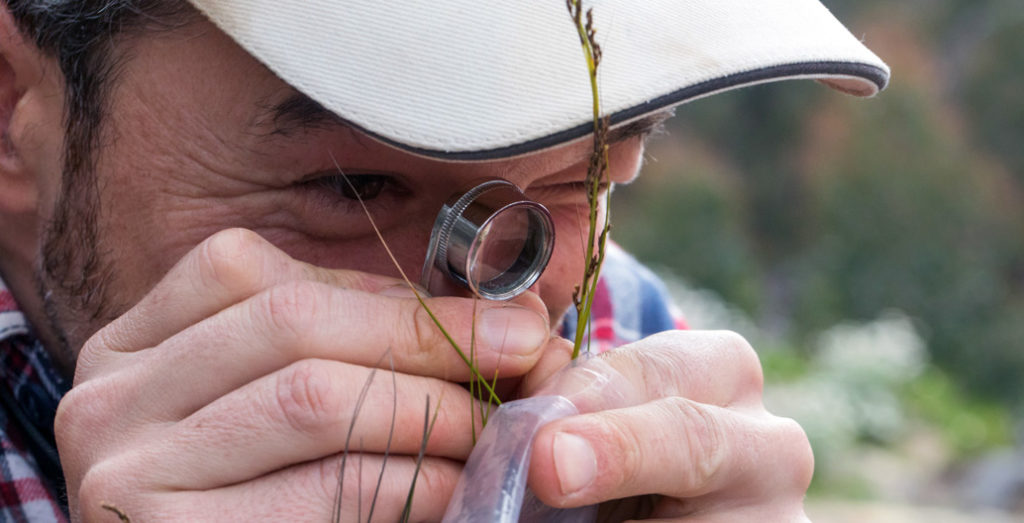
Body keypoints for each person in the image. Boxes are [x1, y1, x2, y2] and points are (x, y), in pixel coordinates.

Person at [0, 0, 888, 521]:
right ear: (13, 109)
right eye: (355, 186)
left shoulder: (621, 325)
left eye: (584, 172)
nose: (506, 298)